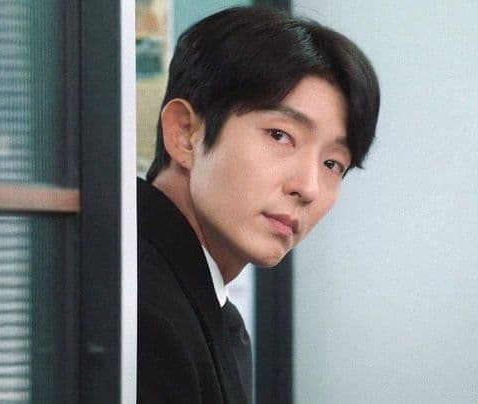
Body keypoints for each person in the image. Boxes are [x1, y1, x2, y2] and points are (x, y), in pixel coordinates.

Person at [137, 6, 379, 404]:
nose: (308, 187)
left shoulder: (193, 293)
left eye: (333, 163)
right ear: (184, 133)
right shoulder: (138, 307)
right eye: (280, 135)